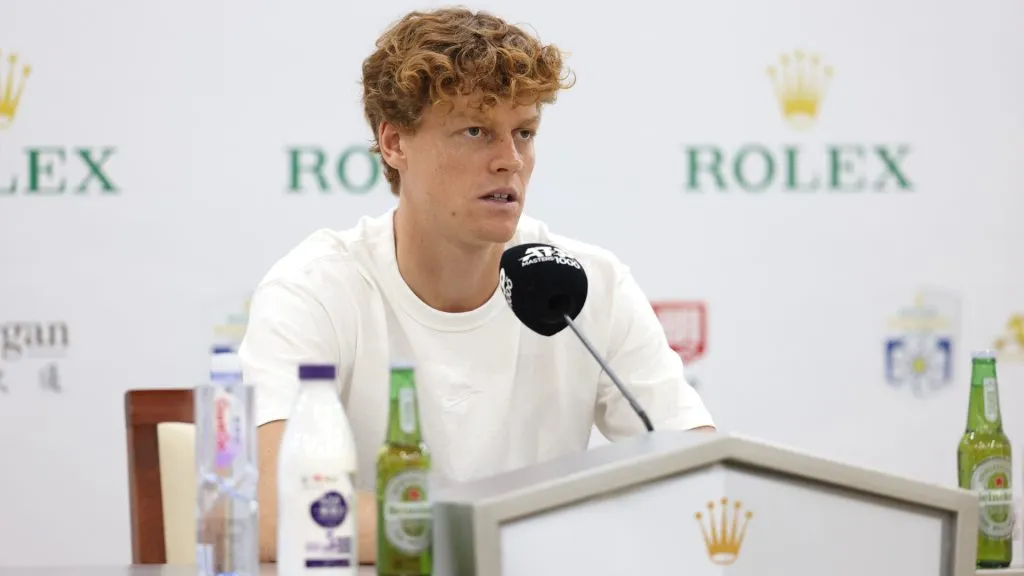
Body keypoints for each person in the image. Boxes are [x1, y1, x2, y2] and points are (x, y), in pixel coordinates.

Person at [239, 6, 715, 564]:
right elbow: (275, 513)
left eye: (524, 133)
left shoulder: (586, 284)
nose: (509, 161)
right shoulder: (315, 289)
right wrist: (510, 531)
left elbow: (700, 477)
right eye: (475, 131)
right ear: (394, 143)